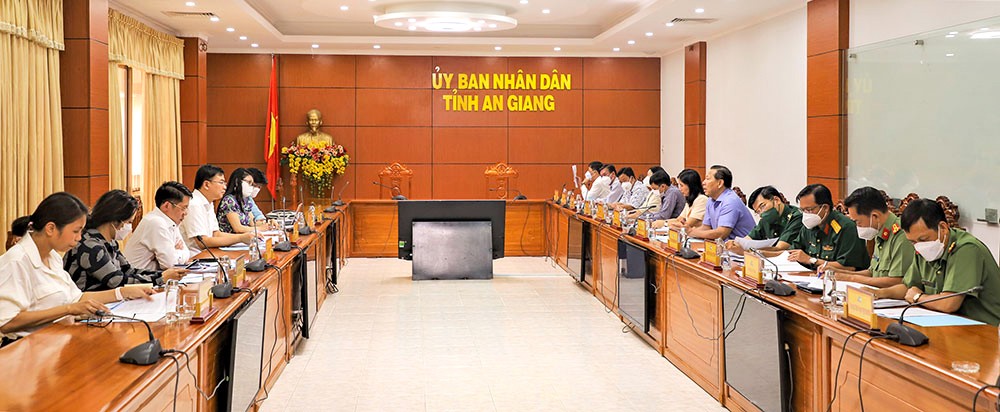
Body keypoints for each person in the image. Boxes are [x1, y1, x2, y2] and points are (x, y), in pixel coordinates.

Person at [0, 193, 153, 342]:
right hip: (26, 346)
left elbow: (77, 298)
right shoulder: (16, 261)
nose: (79, 237)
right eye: (75, 231)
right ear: (51, 228)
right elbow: (7, 322)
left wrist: (123, 293)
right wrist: (68, 309)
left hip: (56, 339)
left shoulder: (52, 256)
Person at [873, 199, 1000, 326]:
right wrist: (879, 294)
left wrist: (918, 297)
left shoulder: (967, 249)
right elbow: (908, 288)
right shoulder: (924, 249)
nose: (918, 246)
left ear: (943, 228)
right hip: (945, 323)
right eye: (912, 242)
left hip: (983, 329)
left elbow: (949, 304)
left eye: (923, 239)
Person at [65, 190, 187, 291]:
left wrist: (162, 275)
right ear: (115, 221)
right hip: (90, 306)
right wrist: (160, 278)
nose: (129, 227)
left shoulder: (110, 242)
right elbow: (116, 281)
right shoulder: (91, 246)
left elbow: (128, 270)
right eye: (129, 222)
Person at [828, 187, 912, 287]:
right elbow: (871, 273)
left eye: (858, 222)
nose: (857, 226)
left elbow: (897, 281)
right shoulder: (880, 231)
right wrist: (838, 273)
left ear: (874, 216)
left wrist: (850, 278)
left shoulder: (901, 235)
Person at [783, 183, 869, 271]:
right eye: (802, 210)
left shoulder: (846, 228)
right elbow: (793, 251)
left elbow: (850, 267)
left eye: (809, 210)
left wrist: (811, 260)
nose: (805, 214)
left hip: (840, 278)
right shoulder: (809, 225)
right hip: (811, 275)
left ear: (825, 208)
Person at [180, 165, 256, 253]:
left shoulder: (208, 202)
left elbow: (216, 234)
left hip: (209, 253)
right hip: (196, 256)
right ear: (206, 184)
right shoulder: (194, 204)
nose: (225, 187)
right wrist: (240, 238)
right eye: (221, 182)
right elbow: (202, 242)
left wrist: (245, 236)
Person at [124, 181, 194, 271]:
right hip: (139, 278)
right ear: (166, 206)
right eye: (183, 208)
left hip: (154, 276)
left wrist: (173, 253)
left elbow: (187, 252)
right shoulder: (155, 222)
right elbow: (170, 264)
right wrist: (174, 252)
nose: (186, 213)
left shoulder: (171, 221)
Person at [726, 186, 803, 254]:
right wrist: (735, 244)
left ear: (776, 200)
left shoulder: (796, 217)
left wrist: (747, 252)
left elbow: (780, 248)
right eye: (758, 211)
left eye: (762, 206)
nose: (761, 213)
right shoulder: (765, 219)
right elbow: (747, 241)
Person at [687, 165, 756, 240]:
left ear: (720, 183)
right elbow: (706, 227)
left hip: (744, 246)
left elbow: (721, 234)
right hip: (724, 245)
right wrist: (686, 230)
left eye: (708, 179)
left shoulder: (730, 201)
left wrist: (691, 232)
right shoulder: (711, 199)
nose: (703, 182)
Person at [217, 168, 259, 234]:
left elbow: (253, 224)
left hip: (243, 238)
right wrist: (260, 228)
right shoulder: (229, 200)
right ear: (237, 181)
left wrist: (268, 224)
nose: (251, 187)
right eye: (249, 183)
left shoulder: (246, 200)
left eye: (252, 184)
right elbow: (238, 228)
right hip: (230, 239)